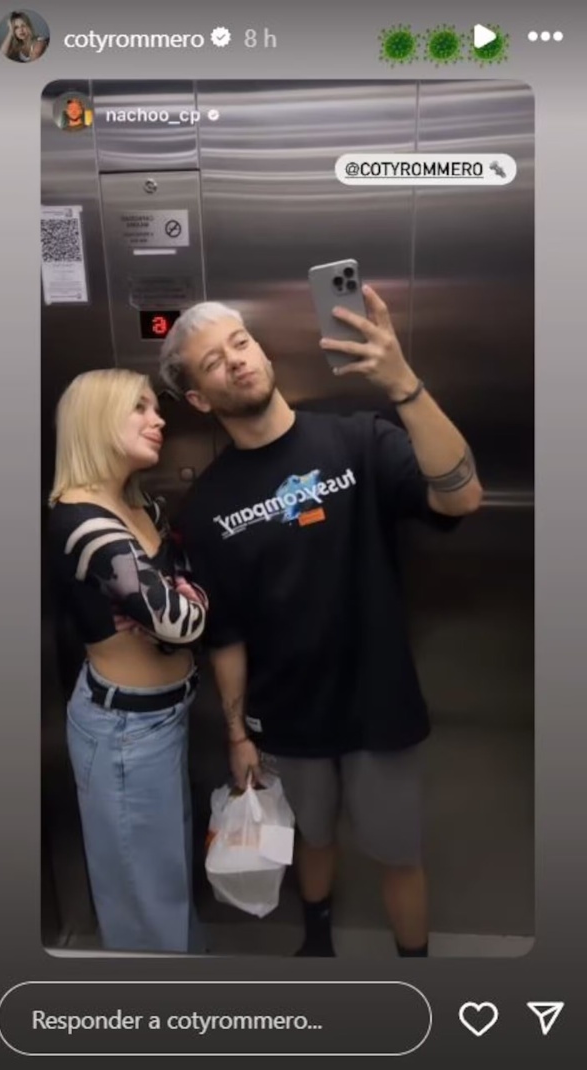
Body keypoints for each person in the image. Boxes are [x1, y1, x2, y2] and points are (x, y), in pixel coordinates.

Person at [158, 286, 483, 958]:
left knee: (399, 852)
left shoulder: (358, 438)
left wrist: (404, 385)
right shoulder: (207, 506)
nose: (236, 361)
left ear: (263, 351)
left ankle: (416, 972)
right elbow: (226, 635)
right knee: (312, 837)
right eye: (213, 362)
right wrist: (237, 734)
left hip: (379, 705)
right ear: (199, 399)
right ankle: (316, 948)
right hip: (288, 716)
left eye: (241, 343)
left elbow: (462, 497)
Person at [47, 368, 208, 953]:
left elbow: (182, 587)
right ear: (96, 419)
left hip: (164, 717)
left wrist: (174, 601)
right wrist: (179, 605)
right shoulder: (82, 519)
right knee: (144, 900)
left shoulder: (139, 506)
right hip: (124, 732)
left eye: (154, 407)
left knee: (167, 880)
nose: (157, 419)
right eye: (138, 407)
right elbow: (180, 620)